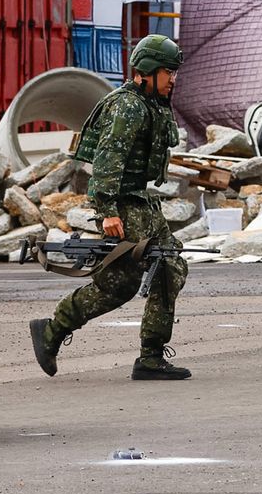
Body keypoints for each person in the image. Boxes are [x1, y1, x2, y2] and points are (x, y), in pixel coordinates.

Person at [29, 34, 190, 380]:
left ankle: (150, 357)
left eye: (174, 73)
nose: (173, 79)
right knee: (118, 284)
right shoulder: (128, 107)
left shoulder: (149, 102)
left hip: (142, 202)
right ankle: (53, 329)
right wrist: (107, 212)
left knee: (170, 268)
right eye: (168, 72)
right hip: (123, 205)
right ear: (147, 71)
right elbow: (107, 161)